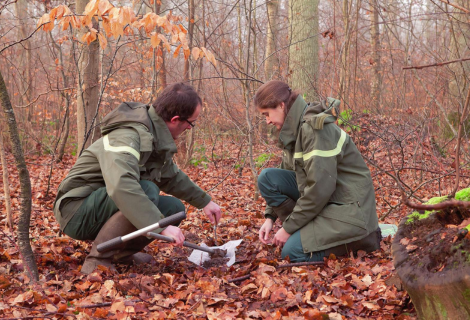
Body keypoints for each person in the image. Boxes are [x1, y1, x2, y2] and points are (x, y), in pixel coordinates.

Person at [53, 82, 221, 274]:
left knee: (173, 209)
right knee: (147, 190)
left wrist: (205, 201)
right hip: (76, 211)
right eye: (191, 123)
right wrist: (160, 227)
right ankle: (97, 262)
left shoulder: (152, 135)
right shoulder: (127, 135)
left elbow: (171, 176)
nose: (190, 129)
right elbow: (121, 185)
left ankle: (120, 255)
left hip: (101, 204)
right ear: (175, 119)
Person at [255, 80, 381, 262]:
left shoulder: (313, 129)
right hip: (330, 203)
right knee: (267, 178)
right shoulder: (295, 129)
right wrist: (270, 218)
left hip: (351, 211)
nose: (267, 121)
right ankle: (305, 232)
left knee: (292, 253)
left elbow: (319, 190)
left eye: (267, 114)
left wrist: (288, 228)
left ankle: (364, 240)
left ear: (281, 105)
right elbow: (286, 172)